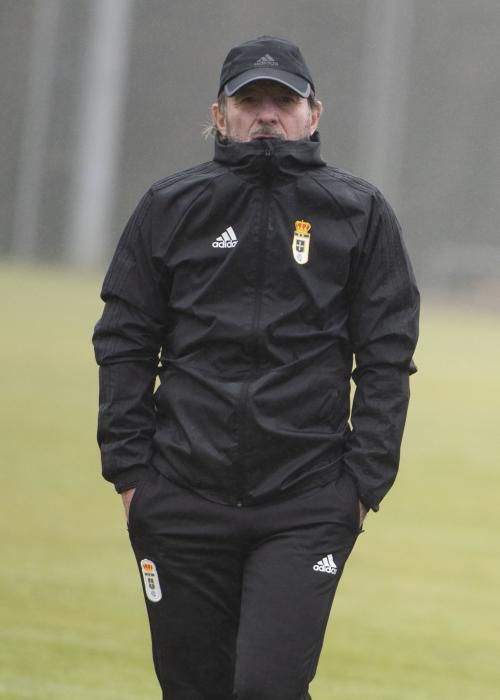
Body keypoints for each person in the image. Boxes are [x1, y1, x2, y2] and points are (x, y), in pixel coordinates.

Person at [92, 35, 419, 700]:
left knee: (269, 687)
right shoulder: (169, 206)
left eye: (283, 100)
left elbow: (386, 353)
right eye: (249, 100)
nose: (267, 113)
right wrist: (130, 473)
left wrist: (361, 483)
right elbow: (125, 337)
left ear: (313, 113)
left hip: (305, 503)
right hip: (180, 497)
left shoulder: (359, 212)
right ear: (220, 115)